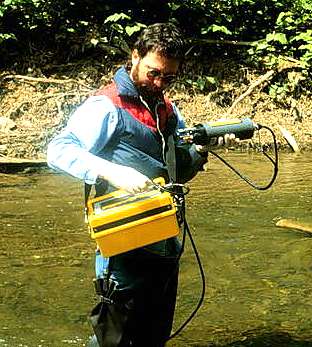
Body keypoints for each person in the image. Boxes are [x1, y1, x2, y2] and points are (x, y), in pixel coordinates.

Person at [47, 22, 235, 347]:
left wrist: (201, 151)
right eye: (153, 73)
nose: (160, 83)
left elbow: (177, 172)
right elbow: (58, 151)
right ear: (135, 56)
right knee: (112, 341)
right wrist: (111, 171)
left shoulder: (169, 111)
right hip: (121, 247)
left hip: (164, 244)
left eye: (169, 77)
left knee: (154, 338)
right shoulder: (105, 107)